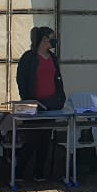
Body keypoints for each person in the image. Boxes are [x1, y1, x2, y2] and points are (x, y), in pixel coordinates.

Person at [15, 26, 65, 182]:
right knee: (32, 138)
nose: (54, 41)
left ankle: (39, 171)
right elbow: (21, 79)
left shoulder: (52, 58)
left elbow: (57, 79)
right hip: (33, 103)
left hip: (50, 103)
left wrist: (60, 97)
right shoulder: (29, 57)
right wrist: (27, 99)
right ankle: (19, 171)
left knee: (45, 138)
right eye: (52, 38)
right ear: (44, 40)